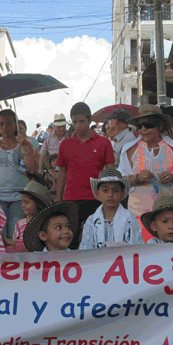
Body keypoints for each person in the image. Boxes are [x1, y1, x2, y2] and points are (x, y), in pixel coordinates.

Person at [119, 105, 173, 241]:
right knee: (142, 246)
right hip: (139, 209)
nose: (143, 129)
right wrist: (137, 178)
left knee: (169, 249)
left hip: (170, 210)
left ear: (159, 125)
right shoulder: (129, 149)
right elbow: (121, 181)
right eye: (140, 126)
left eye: (148, 125)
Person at [55, 102, 115, 248]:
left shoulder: (104, 142)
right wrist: (58, 198)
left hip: (96, 198)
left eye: (81, 121)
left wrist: (110, 197)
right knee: (70, 240)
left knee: (98, 239)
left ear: (89, 121)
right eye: (74, 122)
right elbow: (62, 172)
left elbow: (110, 172)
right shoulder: (65, 144)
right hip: (71, 198)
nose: (78, 125)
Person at [0, 109, 37, 240]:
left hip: (20, 197)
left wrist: (23, 146)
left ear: (16, 125)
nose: (4, 127)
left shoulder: (26, 144)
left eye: (9, 123)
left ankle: (15, 260)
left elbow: (32, 169)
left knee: (15, 234)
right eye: (1, 124)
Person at [79, 169, 140, 249]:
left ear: (123, 194)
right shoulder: (91, 221)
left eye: (115, 190)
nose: (110, 194)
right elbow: (86, 249)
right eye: (105, 190)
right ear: (97, 194)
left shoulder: (130, 219)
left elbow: (137, 248)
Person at [7, 180, 52, 251]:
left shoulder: (47, 224)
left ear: (39, 204)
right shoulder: (19, 224)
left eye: (26, 202)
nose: (22, 205)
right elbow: (15, 247)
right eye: (22, 202)